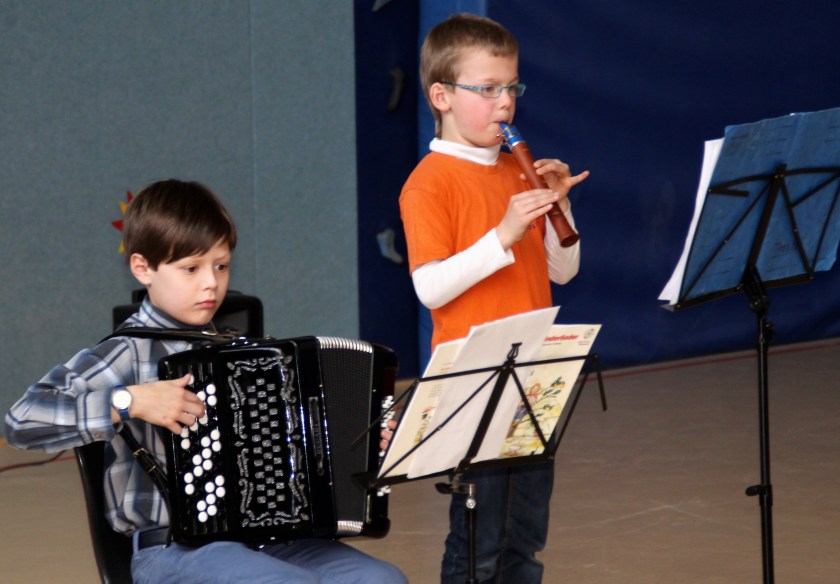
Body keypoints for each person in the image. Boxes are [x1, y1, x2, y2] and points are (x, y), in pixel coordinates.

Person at [4, 179, 407, 584]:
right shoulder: (127, 352)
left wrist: (361, 441)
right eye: (191, 269)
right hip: (169, 550)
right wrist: (128, 401)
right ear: (143, 268)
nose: (211, 282)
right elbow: (21, 420)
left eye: (221, 265)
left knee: (381, 579)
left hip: (268, 540)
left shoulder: (240, 353)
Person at [399, 13, 589, 583]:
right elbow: (429, 286)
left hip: (532, 377)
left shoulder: (517, 172)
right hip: (473, 383)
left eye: (511, 87)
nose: (505, 102)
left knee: (523, 543)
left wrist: (560, 208)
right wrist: (503, 234)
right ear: (442, 96)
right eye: (487, 89)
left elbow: (564, 273)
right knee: (478, 545)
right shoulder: (429, 181)